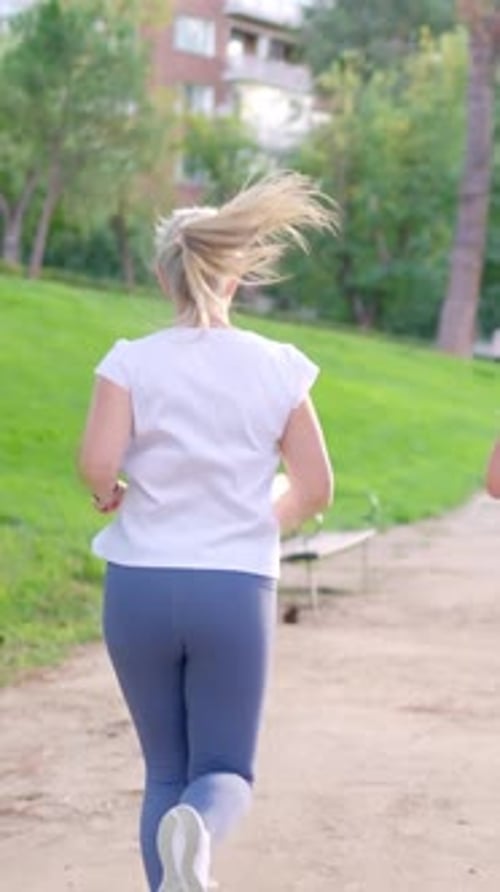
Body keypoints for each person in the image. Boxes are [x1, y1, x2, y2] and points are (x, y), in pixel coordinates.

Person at [78, 171, 336, 891]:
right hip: (232, 587)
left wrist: (111, 491)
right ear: (232, 277)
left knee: (164, 769)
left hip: (138, 588)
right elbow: (316, 488)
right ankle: (201, 835)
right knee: (221, 771)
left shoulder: (129, 359)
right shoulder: (279, 368)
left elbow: (97, 463)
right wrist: (264, 522)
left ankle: (173, 872)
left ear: (169, 280)